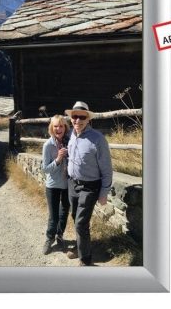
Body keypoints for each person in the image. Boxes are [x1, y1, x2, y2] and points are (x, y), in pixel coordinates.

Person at [65, 101, 113, 266]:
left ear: (88, 119)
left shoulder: (98, 139)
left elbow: (107, 169)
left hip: (90, 186)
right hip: (72, 184)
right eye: (75, 116)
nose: (77, 120)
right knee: (75, 217)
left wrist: (104, 192)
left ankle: (85, 260)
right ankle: (80, 247)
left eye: (82, 117)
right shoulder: (71, 134)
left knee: (81, 222)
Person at [41, 115, 71, 255]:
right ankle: (49, 238)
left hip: (67, 184)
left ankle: (60, 236)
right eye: (55, 126)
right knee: (53, 215)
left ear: (65, 127)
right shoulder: (48, 145)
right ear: (51, 128)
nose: (58, 129)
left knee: (64, 213)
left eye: (61, 126)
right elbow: (45, 169)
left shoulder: (70, 142)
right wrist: (58, 159)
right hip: (52, 185)